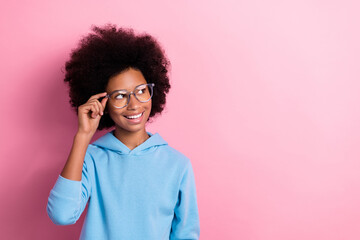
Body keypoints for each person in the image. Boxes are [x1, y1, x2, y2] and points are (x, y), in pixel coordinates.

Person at [46, 24, 200, 240]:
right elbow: (62, 215)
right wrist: (83, 136)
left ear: (152, 92)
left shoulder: (178, 165)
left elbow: (185, 235)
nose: (134, 104)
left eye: (140, 91)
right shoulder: (89, 158)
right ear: (103, 103)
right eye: (119, 95)